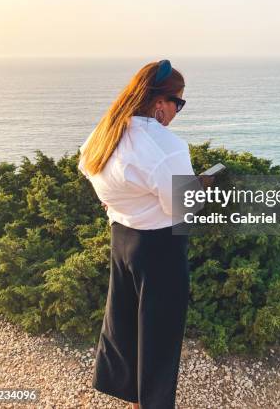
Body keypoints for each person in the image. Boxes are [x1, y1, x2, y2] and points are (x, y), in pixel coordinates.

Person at [78, 59, 208, 409]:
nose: (178, 111)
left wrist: (118, 203)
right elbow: (185, 208)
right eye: (178, 102)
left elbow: (88, 167)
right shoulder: (166, 147)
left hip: (122, 240)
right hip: (160, 249)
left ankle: (132, 398)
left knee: (125, 325)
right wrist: (201, 187)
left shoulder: (106, 132)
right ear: (159, 103)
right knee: (160, 338)